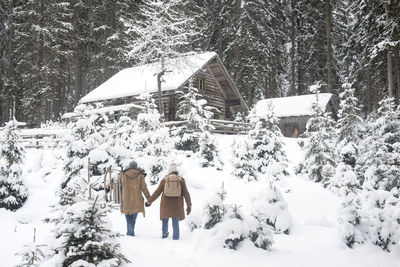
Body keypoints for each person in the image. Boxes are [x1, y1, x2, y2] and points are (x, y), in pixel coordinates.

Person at [146, 163, 192, 240]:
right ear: (176, 171)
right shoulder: (181, 180)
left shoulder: (165, 180)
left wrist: (149, 201)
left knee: (165, 219)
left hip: (166, 204)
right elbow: (186, 193)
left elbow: (157, 192)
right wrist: (189, 205)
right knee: (175, 222)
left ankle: (165, 234)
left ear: (169, 171)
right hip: (177, 205)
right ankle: (176, 238)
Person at [120, 160, 151, 236]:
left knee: (128, 218)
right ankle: (130, 233)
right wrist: (149, 198)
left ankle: (130, 233)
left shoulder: (123, 175)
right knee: (133, 218)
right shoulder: (140, 176)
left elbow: (119, 187)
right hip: (136, 200)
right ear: (136, 167)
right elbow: (144, 188)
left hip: (126, 199)